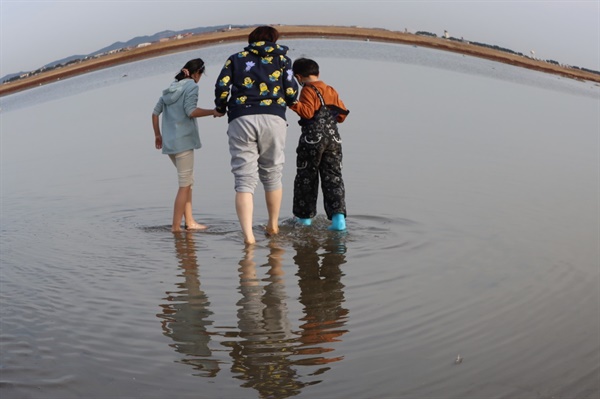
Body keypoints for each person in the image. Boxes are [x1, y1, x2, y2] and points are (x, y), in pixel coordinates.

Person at [214, 26, 299, 245]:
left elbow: (222, 86)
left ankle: (249, 238)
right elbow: (290, 89)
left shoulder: (236, 58)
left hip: (241, 118)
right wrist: (288, 103)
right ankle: (272, 225)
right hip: (274, 117)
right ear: (274, 39)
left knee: (244, 179)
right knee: (272, 173)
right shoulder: (282, 59)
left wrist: (221, 107)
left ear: (251, 40)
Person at [152, 58, 220, 233]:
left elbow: (154, 113)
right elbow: (191, 111)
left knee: (188, 181)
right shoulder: (191, 86)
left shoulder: (171, 87)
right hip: (183, 142)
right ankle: (176, 227)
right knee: (184, 184)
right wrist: (213, 111)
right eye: (201, 75)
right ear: (197, 73)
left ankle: (190, 222)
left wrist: (158, 135)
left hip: (170, 143)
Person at [289, 58, 350, 231]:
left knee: (306, 178)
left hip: (312, 139)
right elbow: (342, 115)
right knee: (333, 177)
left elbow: (308, 113)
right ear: (318, 73)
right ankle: (339, 221)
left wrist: (291, 103)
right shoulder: (330, 89)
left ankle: (304, 221)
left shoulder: (307, 90)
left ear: (298, 77)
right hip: (334, 139)